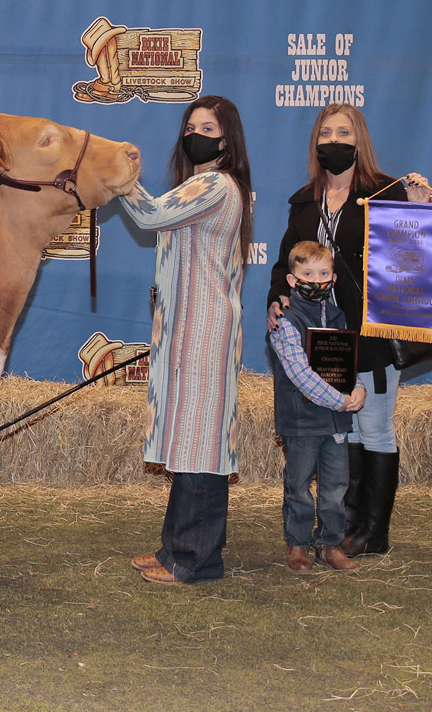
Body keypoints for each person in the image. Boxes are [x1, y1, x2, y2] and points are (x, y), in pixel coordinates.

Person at [267, 103, 431, 557]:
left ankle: (372, 533)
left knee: (374, 427)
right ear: (315, 142)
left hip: (373, 330)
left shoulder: (388, 192)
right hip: (320, 336)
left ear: (359, 140)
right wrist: (276, 301)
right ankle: (342, 528)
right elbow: (285, 265)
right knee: (345, 429)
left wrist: (420, 212)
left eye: (343, 133)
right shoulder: (303, 201)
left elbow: (416, 260)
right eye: (325, 133)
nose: (333, 141)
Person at [118, 95, 253, 584]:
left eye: (208, 126)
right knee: (192, 442)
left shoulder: (215, 184)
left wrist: (119, 178)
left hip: (204, 331)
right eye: (190, 125)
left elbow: (150, 215)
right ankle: (176, 546)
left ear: (225, 139)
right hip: (190, 330)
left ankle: (195, 559)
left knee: (200, 446)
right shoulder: (201, 184)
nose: (196, 132)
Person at [269, 241, 366, 574]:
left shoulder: (339, 319)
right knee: (297, 485)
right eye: (308, 273)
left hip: (336, 424)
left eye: (324, 273)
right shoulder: (285, 322)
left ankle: (330, 545)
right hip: (302, 420)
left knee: (336, 486)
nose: (317, 280)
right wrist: (341, 401)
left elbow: (348, 366)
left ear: (334, 279)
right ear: (293, 280)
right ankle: (297, 545)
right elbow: (299, 374)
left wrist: (359, 390)